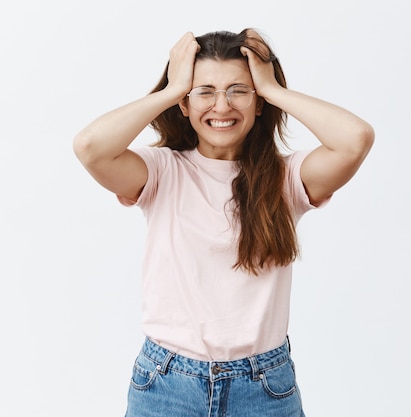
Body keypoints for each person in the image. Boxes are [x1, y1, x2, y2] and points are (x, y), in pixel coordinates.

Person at [73, 28, 374, 417]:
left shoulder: (287, 177)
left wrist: (271, 87)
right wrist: (172, 88)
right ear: (184, 103)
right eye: (204, 91)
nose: (222, 105)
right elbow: (89, 147)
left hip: (264, 386)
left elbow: (356, 138)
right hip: (166, 384)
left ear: (258, 102)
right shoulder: (162, 171)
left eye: (238, 90)